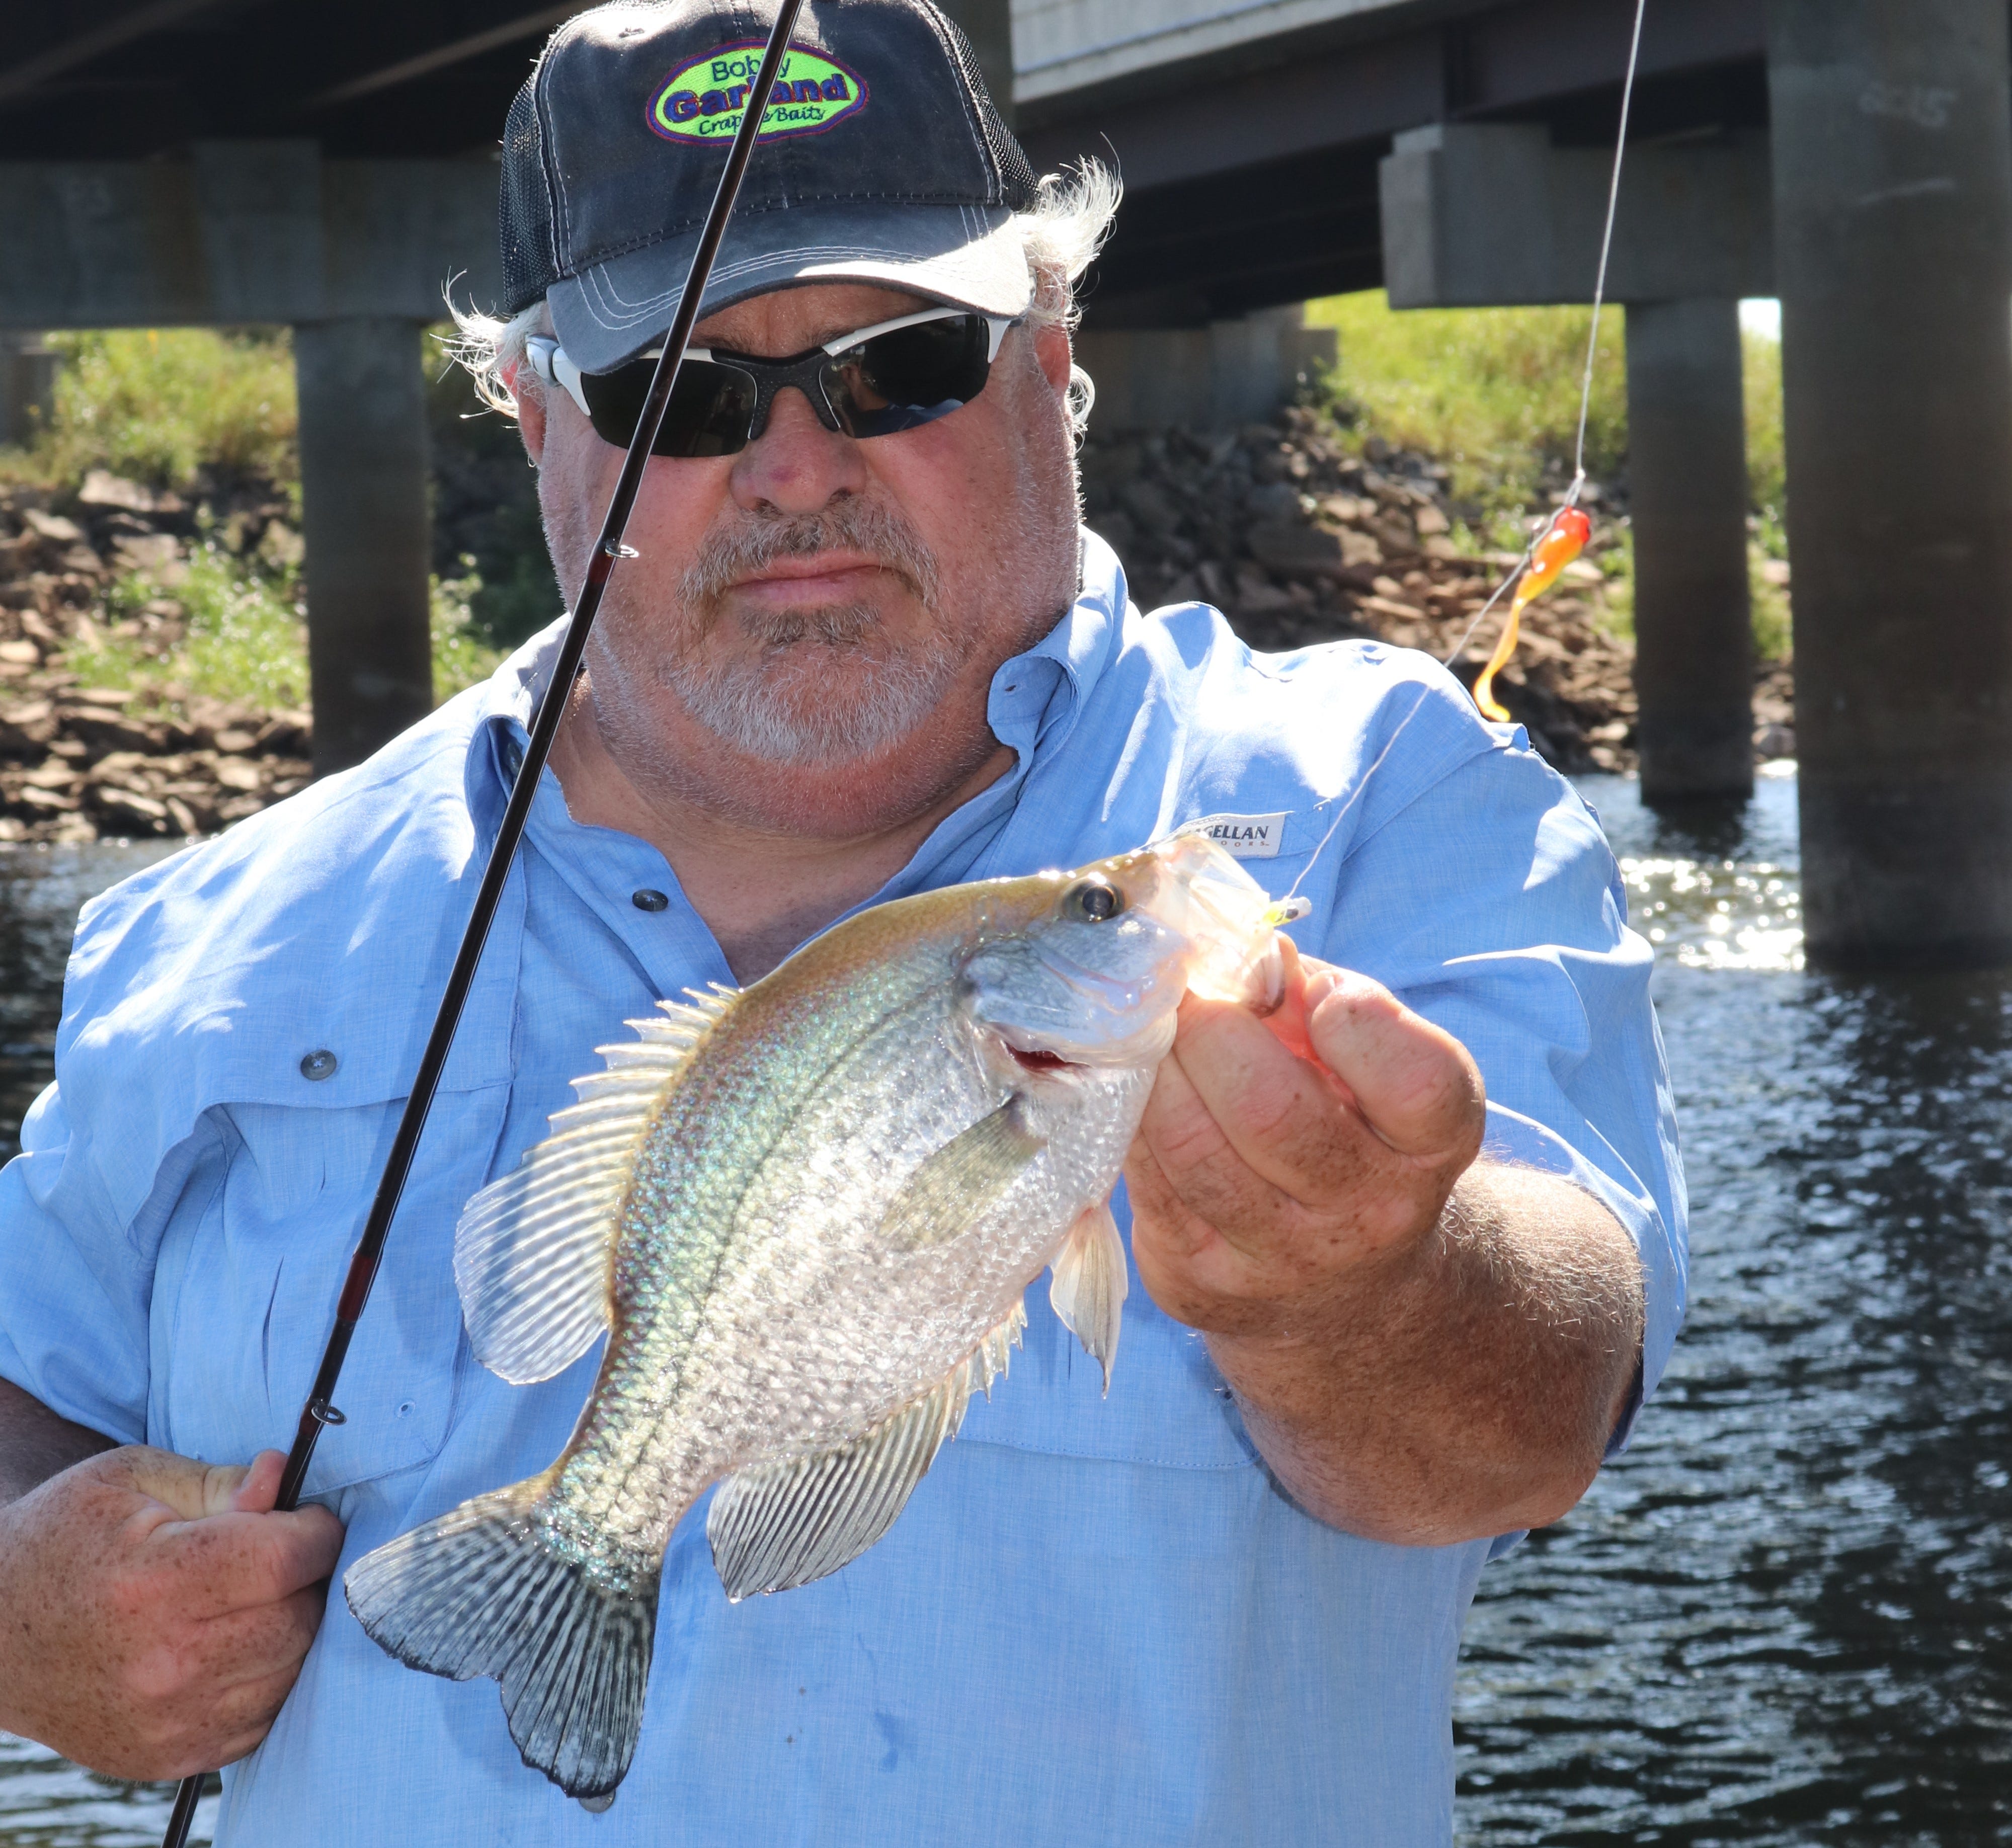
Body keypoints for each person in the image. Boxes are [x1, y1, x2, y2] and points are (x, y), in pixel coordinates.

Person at [0, 2, 1684, 1840]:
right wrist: (26, 1615)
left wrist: (1369, 1292)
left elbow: (1535, 1422)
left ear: (1054, 355)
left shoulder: (1381, 805)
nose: (797, 469)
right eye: (683, 397)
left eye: (903, 365)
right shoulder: (224, 928)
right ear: (536, 418)